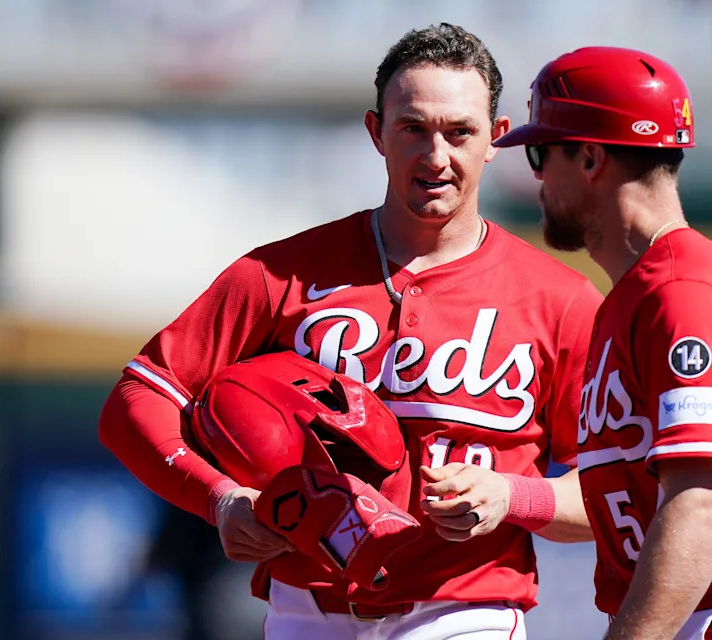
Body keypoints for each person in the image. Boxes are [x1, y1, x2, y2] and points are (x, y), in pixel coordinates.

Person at [98, 23, 602, 640]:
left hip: (462, 610)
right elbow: (138, 398)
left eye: (459, 132)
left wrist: (514, 496)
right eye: (413, 128)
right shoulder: (281, 272)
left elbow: (618, 490)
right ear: (375, 132)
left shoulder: (561, 300)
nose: (436, 156)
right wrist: (220, 498)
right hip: (304, 609)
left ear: (496, 138)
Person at [494, 46, 712, 640]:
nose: (535, 175)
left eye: (542, 153)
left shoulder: (685, 292)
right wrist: (511, 496)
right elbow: (619, 504)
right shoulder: (633, 296)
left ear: (590, 156)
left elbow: (700, 503)